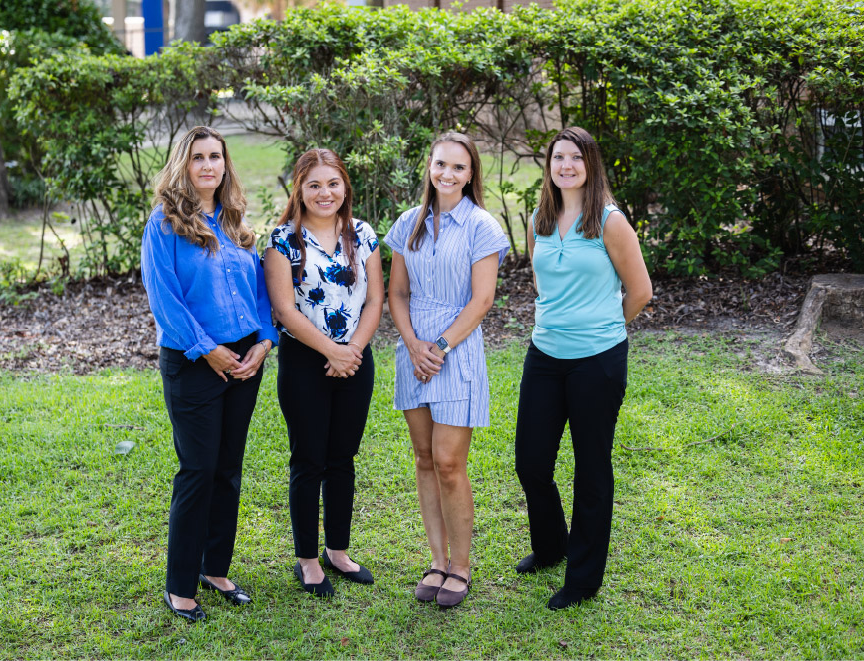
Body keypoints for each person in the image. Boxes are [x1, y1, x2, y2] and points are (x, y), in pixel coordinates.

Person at [141, 126, 278, 622]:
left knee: (227, 468)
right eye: (197, 157)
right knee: (197, 470)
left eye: (215, 156)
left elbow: (260, 291)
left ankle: (215, 569)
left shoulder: (235, 220)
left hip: (245, 359)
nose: (207, 165)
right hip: (193, 360)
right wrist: (208, 350)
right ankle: (180, 586)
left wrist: (265, 341)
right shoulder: (164, 223)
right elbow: (165, 299)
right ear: (183, 164)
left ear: (225, 164)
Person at [514, 126, 652, 610]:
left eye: (575, 157)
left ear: (590, 164)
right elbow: (542, 281)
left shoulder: (610, 221)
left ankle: (583, 579)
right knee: (531, 463)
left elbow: (641, 291)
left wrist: (601, 328)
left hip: (598, 360)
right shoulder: (540, 219)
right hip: (545, 355)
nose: (566, 166)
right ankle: (552, 547)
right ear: (549, 166)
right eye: (558, 158)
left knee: (591, 469)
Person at [385, 132, 509, 608]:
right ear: (430, 168)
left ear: (471, 173)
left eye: (458, 167)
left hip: (455, 350)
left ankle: (461, 566)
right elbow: (397, 293)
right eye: (441, 164)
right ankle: (437, 561)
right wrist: (413, 345)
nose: (448, 174)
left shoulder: (481, 226)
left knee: (450, 464)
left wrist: (437, 347)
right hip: (413, 352)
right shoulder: (409, 222)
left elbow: (483, 300)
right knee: (423, 458)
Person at [263, 148, 384, 597]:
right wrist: (332, 351)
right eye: (314, 185)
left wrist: (352, 350)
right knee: (309, 460)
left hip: (356, 359)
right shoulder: (282, 241)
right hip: (305, 362)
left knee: (342, 458)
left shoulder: (363, 235)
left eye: (333, 183)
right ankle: (308, 561)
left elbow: (375, 299)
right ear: (299, 190)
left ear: (345, 187)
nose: (324, 193)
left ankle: (337, 550)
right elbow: (284, 310)